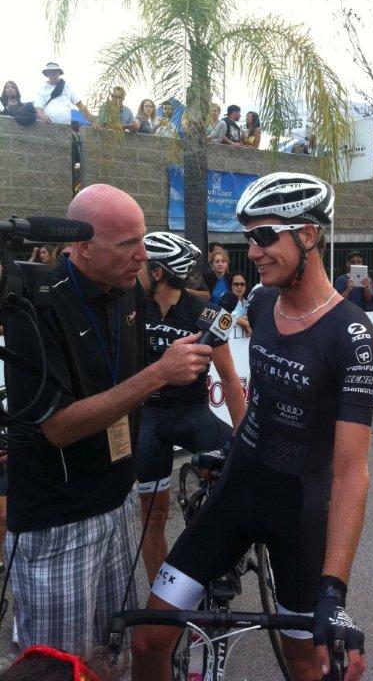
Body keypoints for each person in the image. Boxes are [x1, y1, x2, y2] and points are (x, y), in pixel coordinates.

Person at [132, 172, 373, 681]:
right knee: (148, 638)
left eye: (265, 235)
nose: (254, 250)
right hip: (237, 489)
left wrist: (334, 592)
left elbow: (352, 474)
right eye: (249, 236)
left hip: (297, 512)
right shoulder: (262, 302)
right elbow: (224, 362)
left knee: (304, 666)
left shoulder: (352, 336)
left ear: (308, 235)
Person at [3, 184, 214, 653]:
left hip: (117, 501)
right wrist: (160, 374)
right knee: (60, 662)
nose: (142, 255)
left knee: (107, 653)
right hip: (59, 521)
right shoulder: (35, 307)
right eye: (126, 244)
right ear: (81, 246)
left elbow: (125, 383)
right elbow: (57, 427)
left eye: (143, 239)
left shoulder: (127, 291)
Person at [136, 232, 246, 583]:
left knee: (236, 479)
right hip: (149, 416)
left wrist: (243, 435)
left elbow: (229, 379)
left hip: (193, 411)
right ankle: (160, 598)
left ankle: (218, 563)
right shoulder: (130, 308)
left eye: (141, 265)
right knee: (153, 517)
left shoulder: (204, 312)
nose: (134, 270)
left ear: (157, 272)